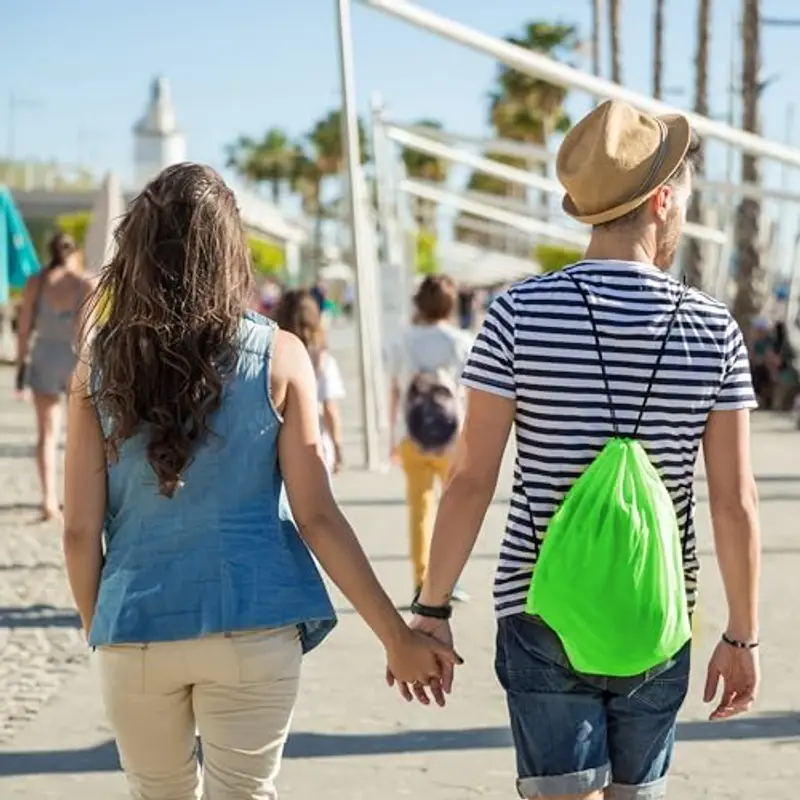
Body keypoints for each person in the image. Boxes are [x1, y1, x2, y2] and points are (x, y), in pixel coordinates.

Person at [392, 101, 761, 799]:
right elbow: (734, 501)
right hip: (656, 611)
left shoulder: (517, 313)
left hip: (539, 605)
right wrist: (742, 636)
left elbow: (470, 479)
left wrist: (432, 611)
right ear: (661, 200)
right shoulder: (714, 329)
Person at [62, 163, 460, 800]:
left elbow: (79, 530)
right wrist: (395, 636)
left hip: (135, 623)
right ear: (229, 251)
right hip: (253, 624)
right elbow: (317, 516)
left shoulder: (98, 364)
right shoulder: (280, 354)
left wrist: (101, 627)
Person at [388, 275, 473, 603]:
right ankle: (449, 580)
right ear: (451, 305)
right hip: (451, 437)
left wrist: (392, 437)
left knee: (420, 510)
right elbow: (470, 393)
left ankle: (421, 580)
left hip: (412, 435)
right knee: (454, 509)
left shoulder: (403, 341)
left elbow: (395, 391)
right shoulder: (460, 341)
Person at [15, 232, 91, 521]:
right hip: (73, 359)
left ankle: (48, 499)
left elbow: (24, 330)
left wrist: (21, 369)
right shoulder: (85, 283)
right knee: (79, 436)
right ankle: (77, 500)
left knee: (46, 435)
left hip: (44, 356)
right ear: (74, 252)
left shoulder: (36, 282)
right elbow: (86, 334)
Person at [275, 288, 345, 473]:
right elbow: (330, 408)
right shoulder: (323, 361)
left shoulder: (273, 358)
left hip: (278, 450)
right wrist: (338, 446)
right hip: (315, 446)